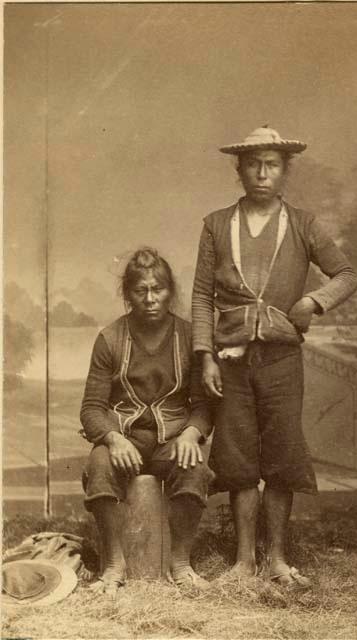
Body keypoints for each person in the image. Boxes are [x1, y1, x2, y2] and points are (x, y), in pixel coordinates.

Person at [192, 125, 357, 587]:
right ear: (239, 169)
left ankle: (277, 559)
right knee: (239, 454)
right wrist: (204, 355)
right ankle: (245, 561)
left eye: (272, 164)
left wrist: (313, 302)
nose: (262, 172)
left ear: (285, 171)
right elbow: (202, 296)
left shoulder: (303, 224)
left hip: (283, 359)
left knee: (283, 452)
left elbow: (345, 274)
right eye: (253, 164)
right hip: (230, 360)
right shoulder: (216, 223)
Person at [80, 247, 213, 597]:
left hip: (172, 439)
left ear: (171, 291)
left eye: (159, 289)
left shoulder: (188, 337)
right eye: (142, 291)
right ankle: (113, 564)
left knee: (194, 466)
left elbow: (203, 405)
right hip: (127, 439)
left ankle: (180, 562)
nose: (151, 299)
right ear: (129, 294)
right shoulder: (109, 338)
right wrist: (112, 439)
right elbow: (92, 408)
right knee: (98, 463)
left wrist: (192, 434)